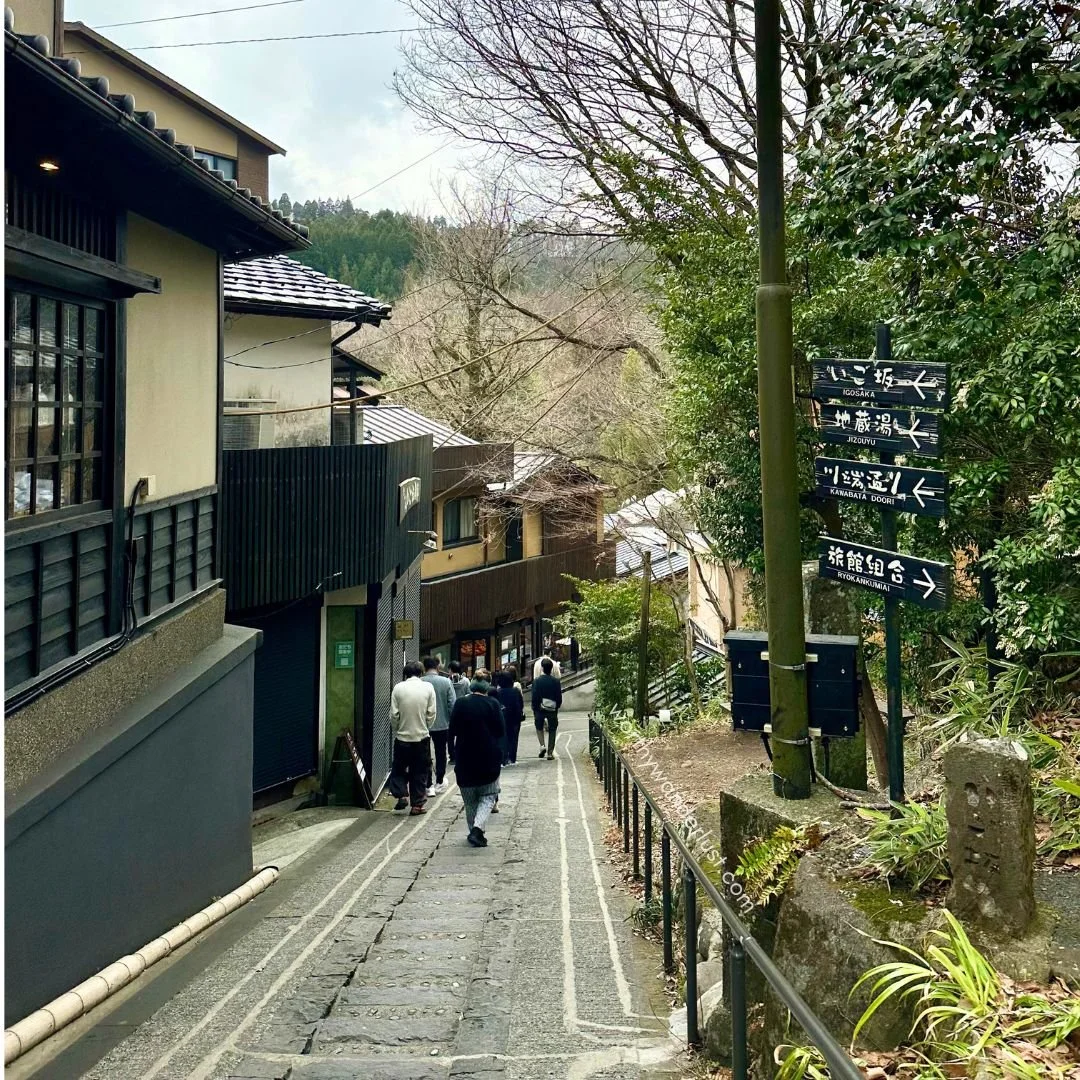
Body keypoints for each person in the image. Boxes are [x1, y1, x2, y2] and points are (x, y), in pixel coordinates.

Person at [449, 673, 505, 847]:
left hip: (465, 757)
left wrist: (452, 753)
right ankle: (477, 830)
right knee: (488, 795)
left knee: (470, 799)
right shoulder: (493, 704)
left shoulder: (460, 703)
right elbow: (500, 731)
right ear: (487, 686)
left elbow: (452, 731)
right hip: (488, 757)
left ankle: (474, 831)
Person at [389, 660, 436, 814]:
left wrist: (398, 728)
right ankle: (417, 805)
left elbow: (394, 715)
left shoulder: (398, 688)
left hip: (402, 738)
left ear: (405, 673)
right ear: (421, 672)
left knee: (399, 767)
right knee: (420, 771)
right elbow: (431, 713)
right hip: (421, 737)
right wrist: (425, 726)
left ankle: (401, 794)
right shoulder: (428, 688)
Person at [422, 656, 456, 795]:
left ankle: (428, 784)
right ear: (437, 667)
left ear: (424, 668)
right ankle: (440, 781)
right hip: (443, 724)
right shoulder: (446, 682)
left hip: (423, 724)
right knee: (441, 752)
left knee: (425, 754)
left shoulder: (420, 682)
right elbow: (452, 704)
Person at [531, 657, 563, 760]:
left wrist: (535, 707)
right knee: (552, 729)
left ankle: (542, 746)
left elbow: (534, 696)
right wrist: (557, 706)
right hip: (552, 709)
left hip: (540, 708)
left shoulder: (537, 681)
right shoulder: (556, 681)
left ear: (542, 668)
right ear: (551, 668)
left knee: (539, 727)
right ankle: (550, 752)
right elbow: (559, 696)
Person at [492, 669, 524, 766]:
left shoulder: (498, 692)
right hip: (515, 718)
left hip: (503, 717)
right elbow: (521, 704)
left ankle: (504, 757)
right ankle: (512, 757)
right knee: (514, 738)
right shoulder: (516, 691)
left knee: (503, 737)